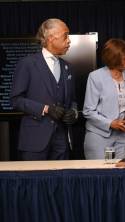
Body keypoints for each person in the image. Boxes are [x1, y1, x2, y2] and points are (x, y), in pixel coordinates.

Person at [11, 18, 78, 160]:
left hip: (62, 140)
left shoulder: (68, 67)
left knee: (61, 181)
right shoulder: (27, 64)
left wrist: (73, 112)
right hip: (34, 141)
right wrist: (45, 109)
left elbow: (72, 100)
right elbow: (16, 100)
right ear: (51, 38)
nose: (69, 41)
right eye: (66, 35)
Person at [83, 39, 125, 159]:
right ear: (113, 59)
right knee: (100, 175)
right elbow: (88, 111)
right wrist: (111, 123)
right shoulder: (95, 77)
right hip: (100, 135)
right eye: (124, 59)